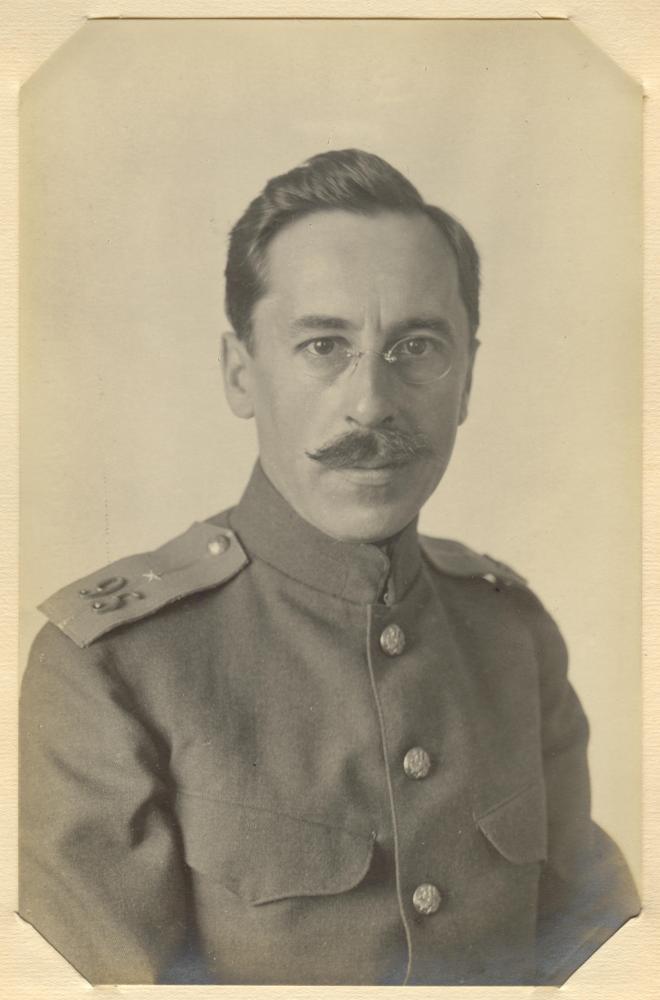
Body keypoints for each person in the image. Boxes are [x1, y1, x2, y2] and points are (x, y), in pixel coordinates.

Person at [19, 149, 640, 986]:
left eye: (417, 347)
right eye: (323, 345)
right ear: (242, 373)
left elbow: (601, 955)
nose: (373, 403)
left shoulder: (512, 637)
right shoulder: (112, 667)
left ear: (466, 380)